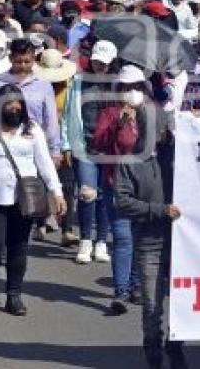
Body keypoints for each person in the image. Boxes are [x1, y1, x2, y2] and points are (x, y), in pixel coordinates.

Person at [0, 84, 66, 317]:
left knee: (18, 248)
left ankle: (14, 295)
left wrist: (57, 192)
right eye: (9, 103)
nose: (14, 108)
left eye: (18, 103)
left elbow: (45, 164)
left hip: (22, 198)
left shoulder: (32, 130)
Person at [110, 73, 185, 369]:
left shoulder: (179, 158)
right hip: (149, 241)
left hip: (181, 241)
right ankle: (153, 350)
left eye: (161, 123)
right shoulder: (130, 162)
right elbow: (123, 201)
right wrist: (159, 210)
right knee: (152, 303)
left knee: (179, 301)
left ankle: (177, 347)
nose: (157, 128)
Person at [92, 65, 151, 313]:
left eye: (136, 87)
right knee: (123, 236)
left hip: (146, 185)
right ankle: (121, 290)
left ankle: (138, 285)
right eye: (126, 87)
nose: (131, 92)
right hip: (117, 183)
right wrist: (119, 125)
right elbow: (98, 144)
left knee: (141, 237)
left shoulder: (152, 113)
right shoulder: (110, 114)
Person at [61, 40, 117, 264]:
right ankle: (85, 240)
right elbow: (68, 114)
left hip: (110, 149)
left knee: (105, 196)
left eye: (104, 63)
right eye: (96, 61)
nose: (99, 66)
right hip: (84, 145)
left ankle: (101, 241)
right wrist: (65, 143)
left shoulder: (117, 84)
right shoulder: (78, 81)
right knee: (87, 193)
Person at [0, 38, 60, 166]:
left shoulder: (43, 86)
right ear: (10, 59)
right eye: (18, 62)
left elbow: (51, 120)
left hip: (34, 149)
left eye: (27, 61)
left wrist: (54, 151)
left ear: (34, 59)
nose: (23, 66)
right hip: (2, 149)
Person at [33, 48, 78, 246]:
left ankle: (67, 229)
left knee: (67, 185)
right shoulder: (35, 86)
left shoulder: (70, 86)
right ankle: (41, 223)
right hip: (39, 140)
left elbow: (72, 116)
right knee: (40, 184)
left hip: (64, 141)